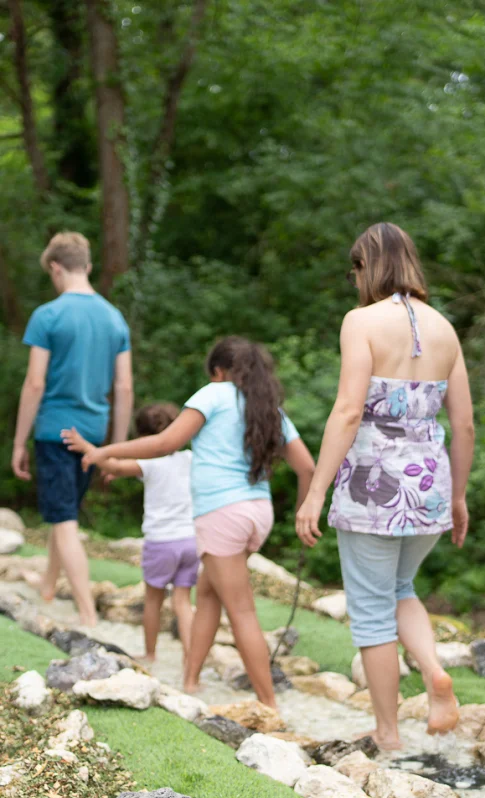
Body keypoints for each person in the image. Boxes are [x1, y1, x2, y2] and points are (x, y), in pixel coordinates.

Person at [296, 223, 474, 750]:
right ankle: (434, 672)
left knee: (372, 610)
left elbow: (349, 411)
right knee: (401, 589)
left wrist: (315, 492)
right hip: (429, 489)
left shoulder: (361, 322)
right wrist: (458, 497)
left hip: (373, 491)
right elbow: (464, 424)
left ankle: (388, 732)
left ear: (365, 267)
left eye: (354, 271)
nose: (354, 282)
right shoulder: (444, 328)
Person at [71, 337, 315, 708]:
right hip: (257, 513)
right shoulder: (269, 409)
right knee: (208, 593)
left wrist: (105, 450)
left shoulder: (214, 394)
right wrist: (303, 511)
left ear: (218, 371)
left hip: (222, 514)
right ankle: (192, 679)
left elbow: (164, 443)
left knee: (242, 611)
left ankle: (269, 705)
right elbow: (307, 467)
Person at [12, 232, 133, 627]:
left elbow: (34, 384)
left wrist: (19, 442)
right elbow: (124, 387)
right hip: (94, 434)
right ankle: (48, 586)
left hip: (54, 432)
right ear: (88, 266)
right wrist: (116, 449)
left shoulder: (48, 315)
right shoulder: (114, 318)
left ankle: (87, 615)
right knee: (62, 514)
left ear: (55, 268)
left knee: (64, 522)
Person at [63, 403, 197, 662]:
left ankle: (150, 654)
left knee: (153, 600)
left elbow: (114, 466)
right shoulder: (190, 459)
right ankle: (191, 660)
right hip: (191, 541)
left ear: (143, 438)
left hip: (162, 542)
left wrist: (87, 447)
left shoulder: (150, 462)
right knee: (182, 602)